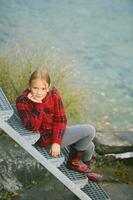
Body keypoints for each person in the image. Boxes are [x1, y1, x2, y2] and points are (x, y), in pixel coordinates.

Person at [16, 69, 102, 182]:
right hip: (44, 139)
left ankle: (86, 172)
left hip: (55, 133)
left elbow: (61, 119)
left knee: (90, 146)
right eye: (35, 88)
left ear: (48, 87)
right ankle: (73, 163)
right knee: (90, 130)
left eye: (43, 89)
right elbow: (32, 127)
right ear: (29, 86)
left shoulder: (53, 93)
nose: (39, 92)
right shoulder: (23, 101)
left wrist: (57, 142)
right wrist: (38, 105)